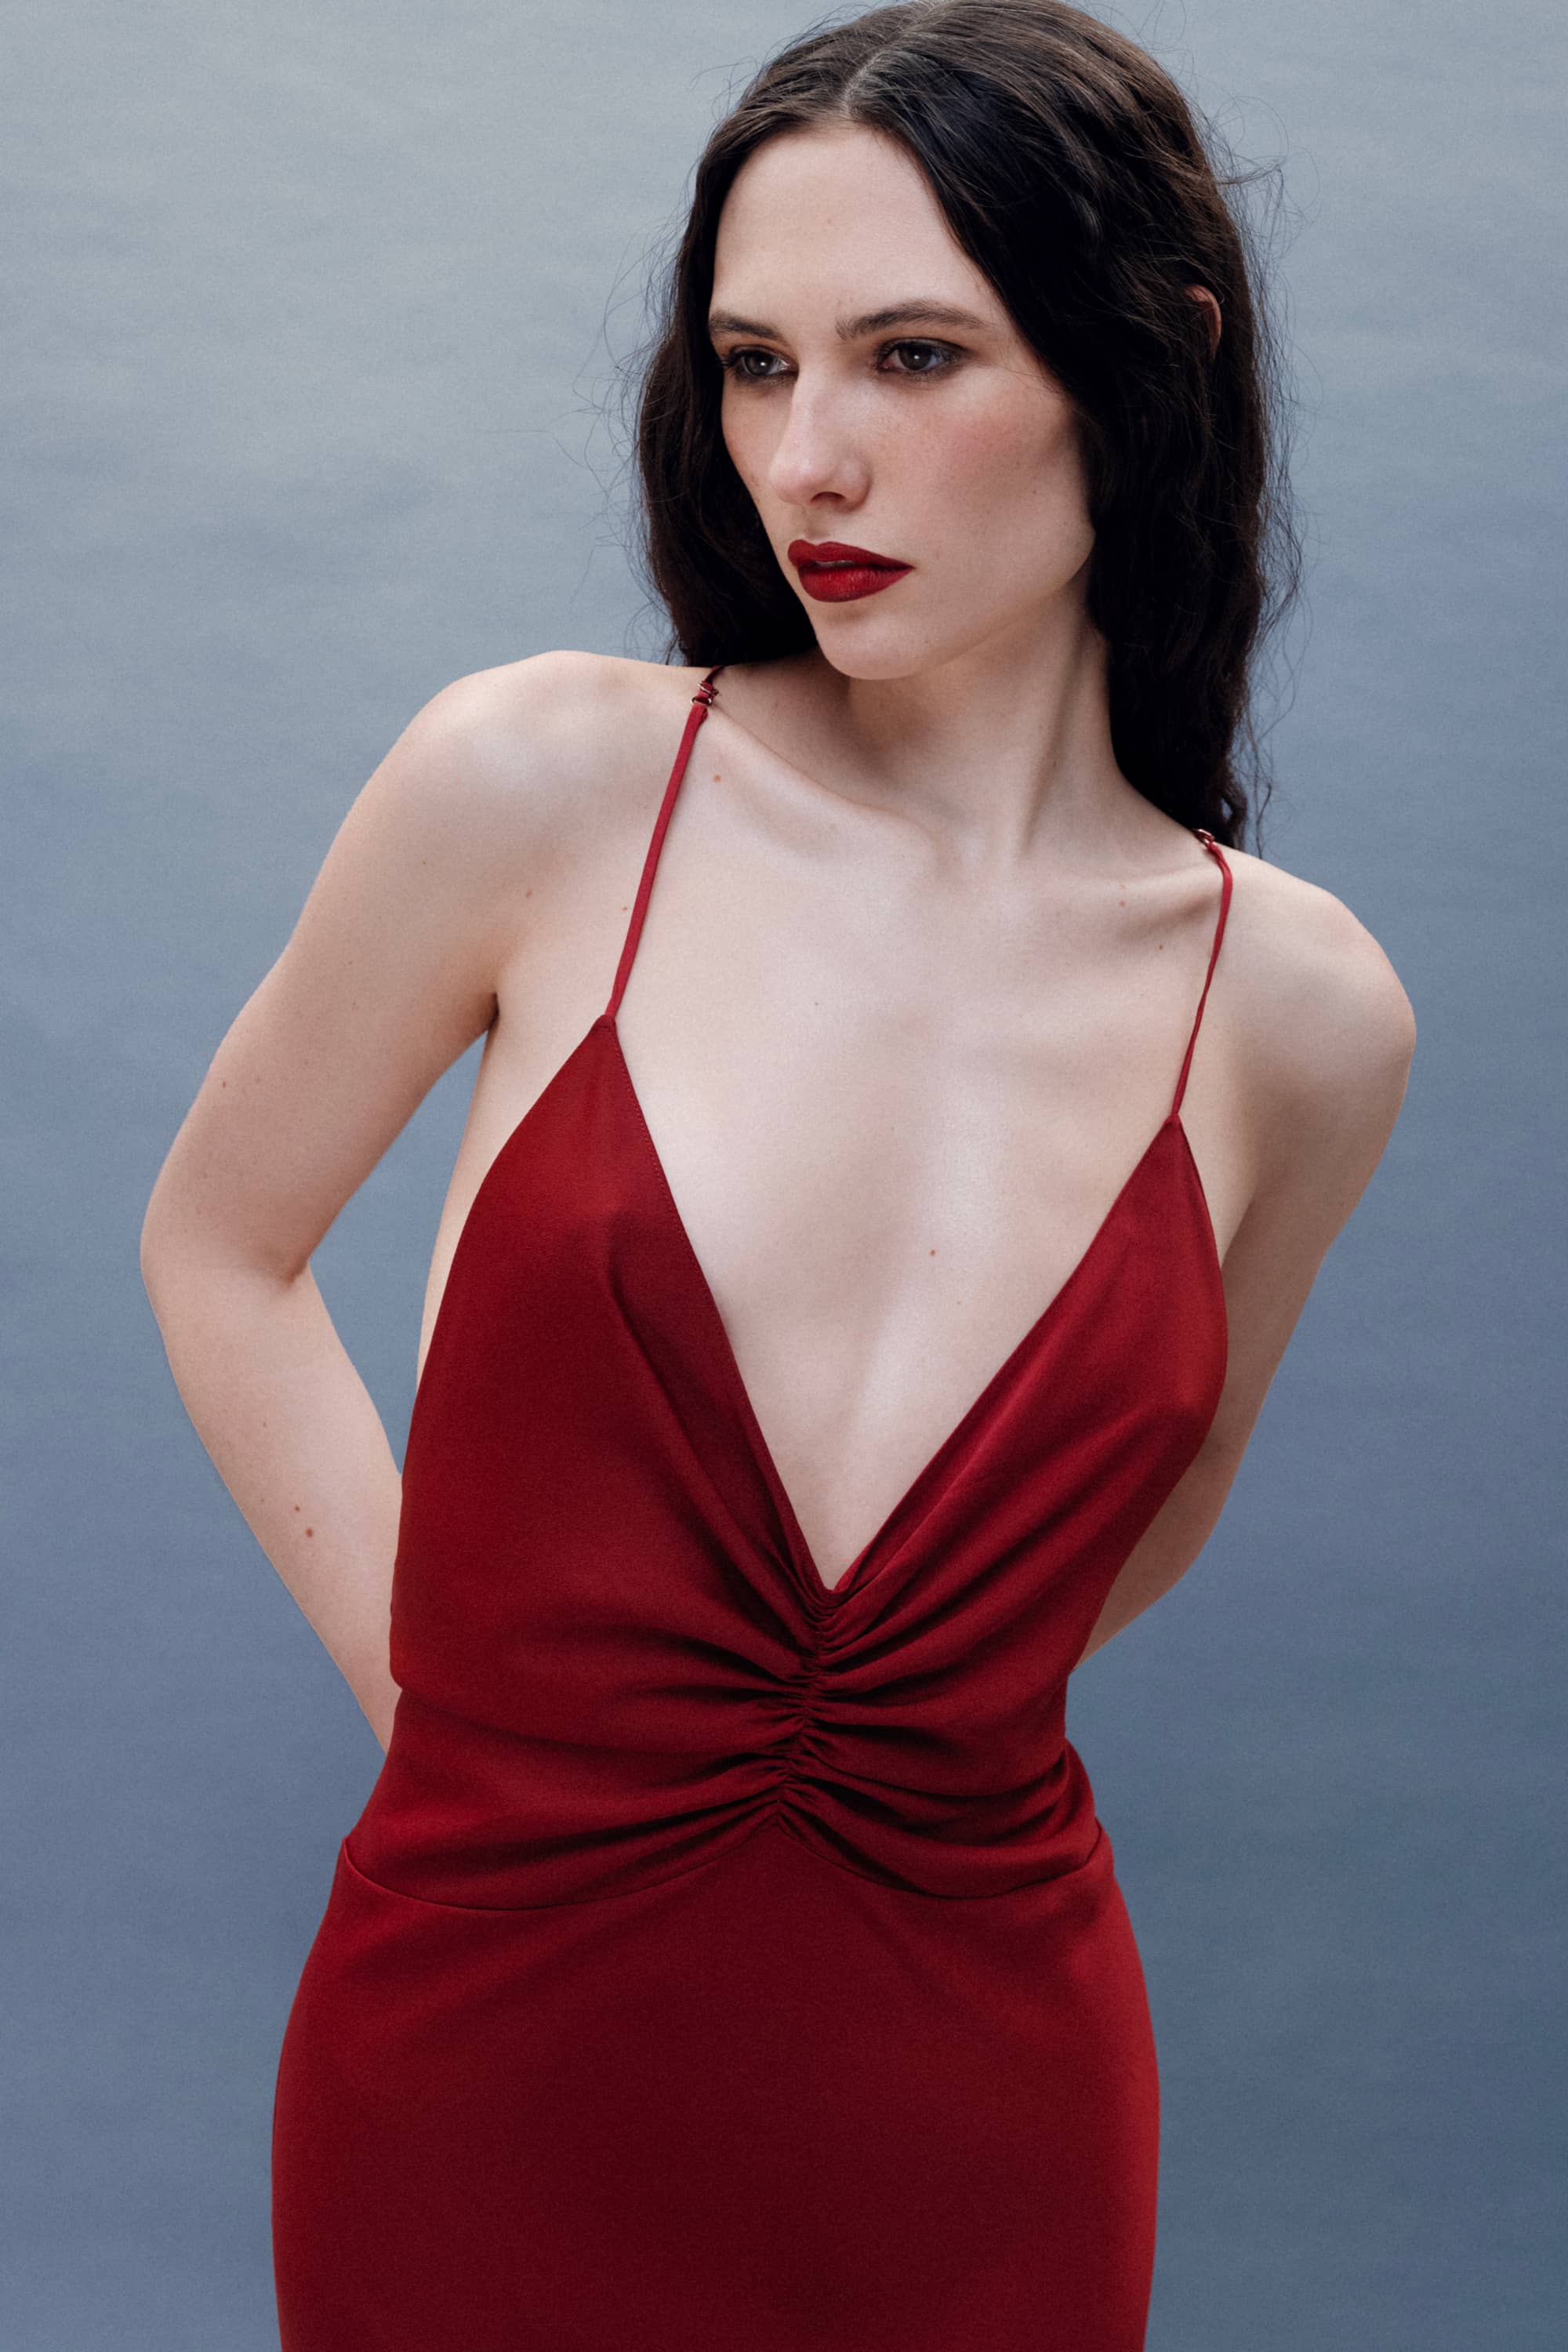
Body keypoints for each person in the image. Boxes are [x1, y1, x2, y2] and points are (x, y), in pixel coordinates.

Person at [139, 3, 1415, 2346]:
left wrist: (890, 1743)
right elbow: (219, 1241)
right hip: (487, 2031)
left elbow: (1169, 1491)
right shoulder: (547, 788)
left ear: (1152, 360)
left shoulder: (1304, 1013)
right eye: (751, 364)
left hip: (988, 2084)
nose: (806, 458)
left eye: (911, 355)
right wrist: (460, 1696)